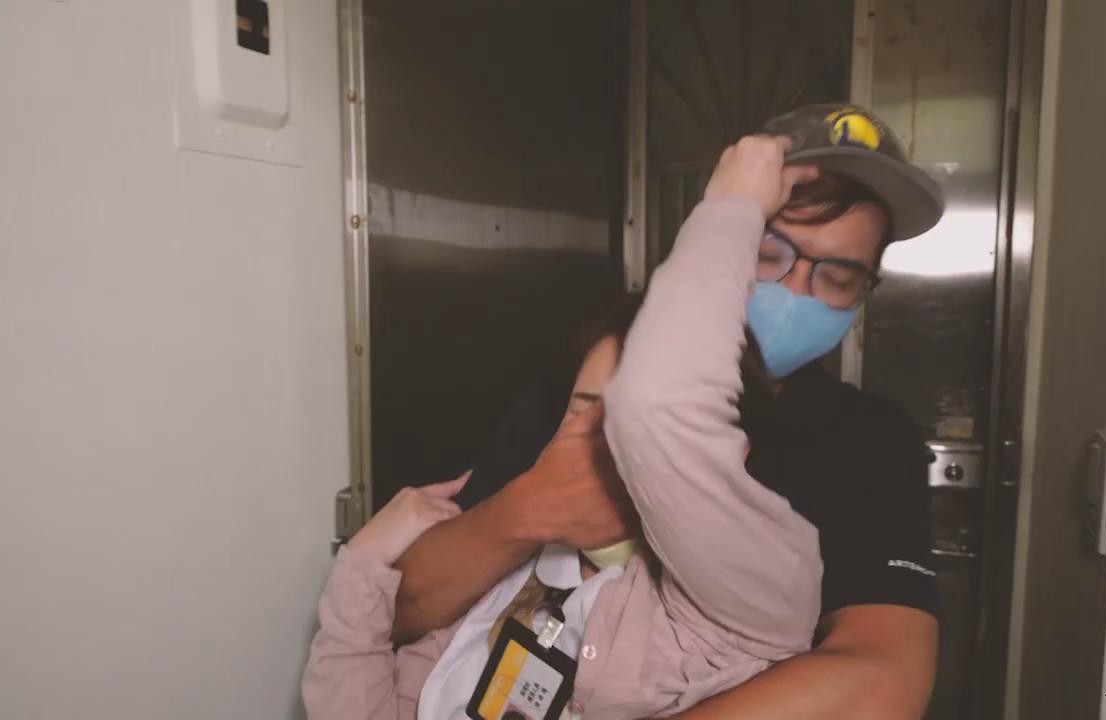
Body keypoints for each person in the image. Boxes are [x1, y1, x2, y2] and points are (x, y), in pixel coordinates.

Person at [391, 104, 945, 720]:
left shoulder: (869, 442)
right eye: (768, 252)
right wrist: (522, 512)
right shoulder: (586, 384)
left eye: (838, 277)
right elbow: (398, 608)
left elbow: (880, 682)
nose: (794, 293)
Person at [302, 143, 827, 717]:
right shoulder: (507, 577)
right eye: (583, 411)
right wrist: (364, 562)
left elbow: (665, 405)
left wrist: (731, 208)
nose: (600, 447)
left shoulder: (751, 593)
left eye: (623, 424)